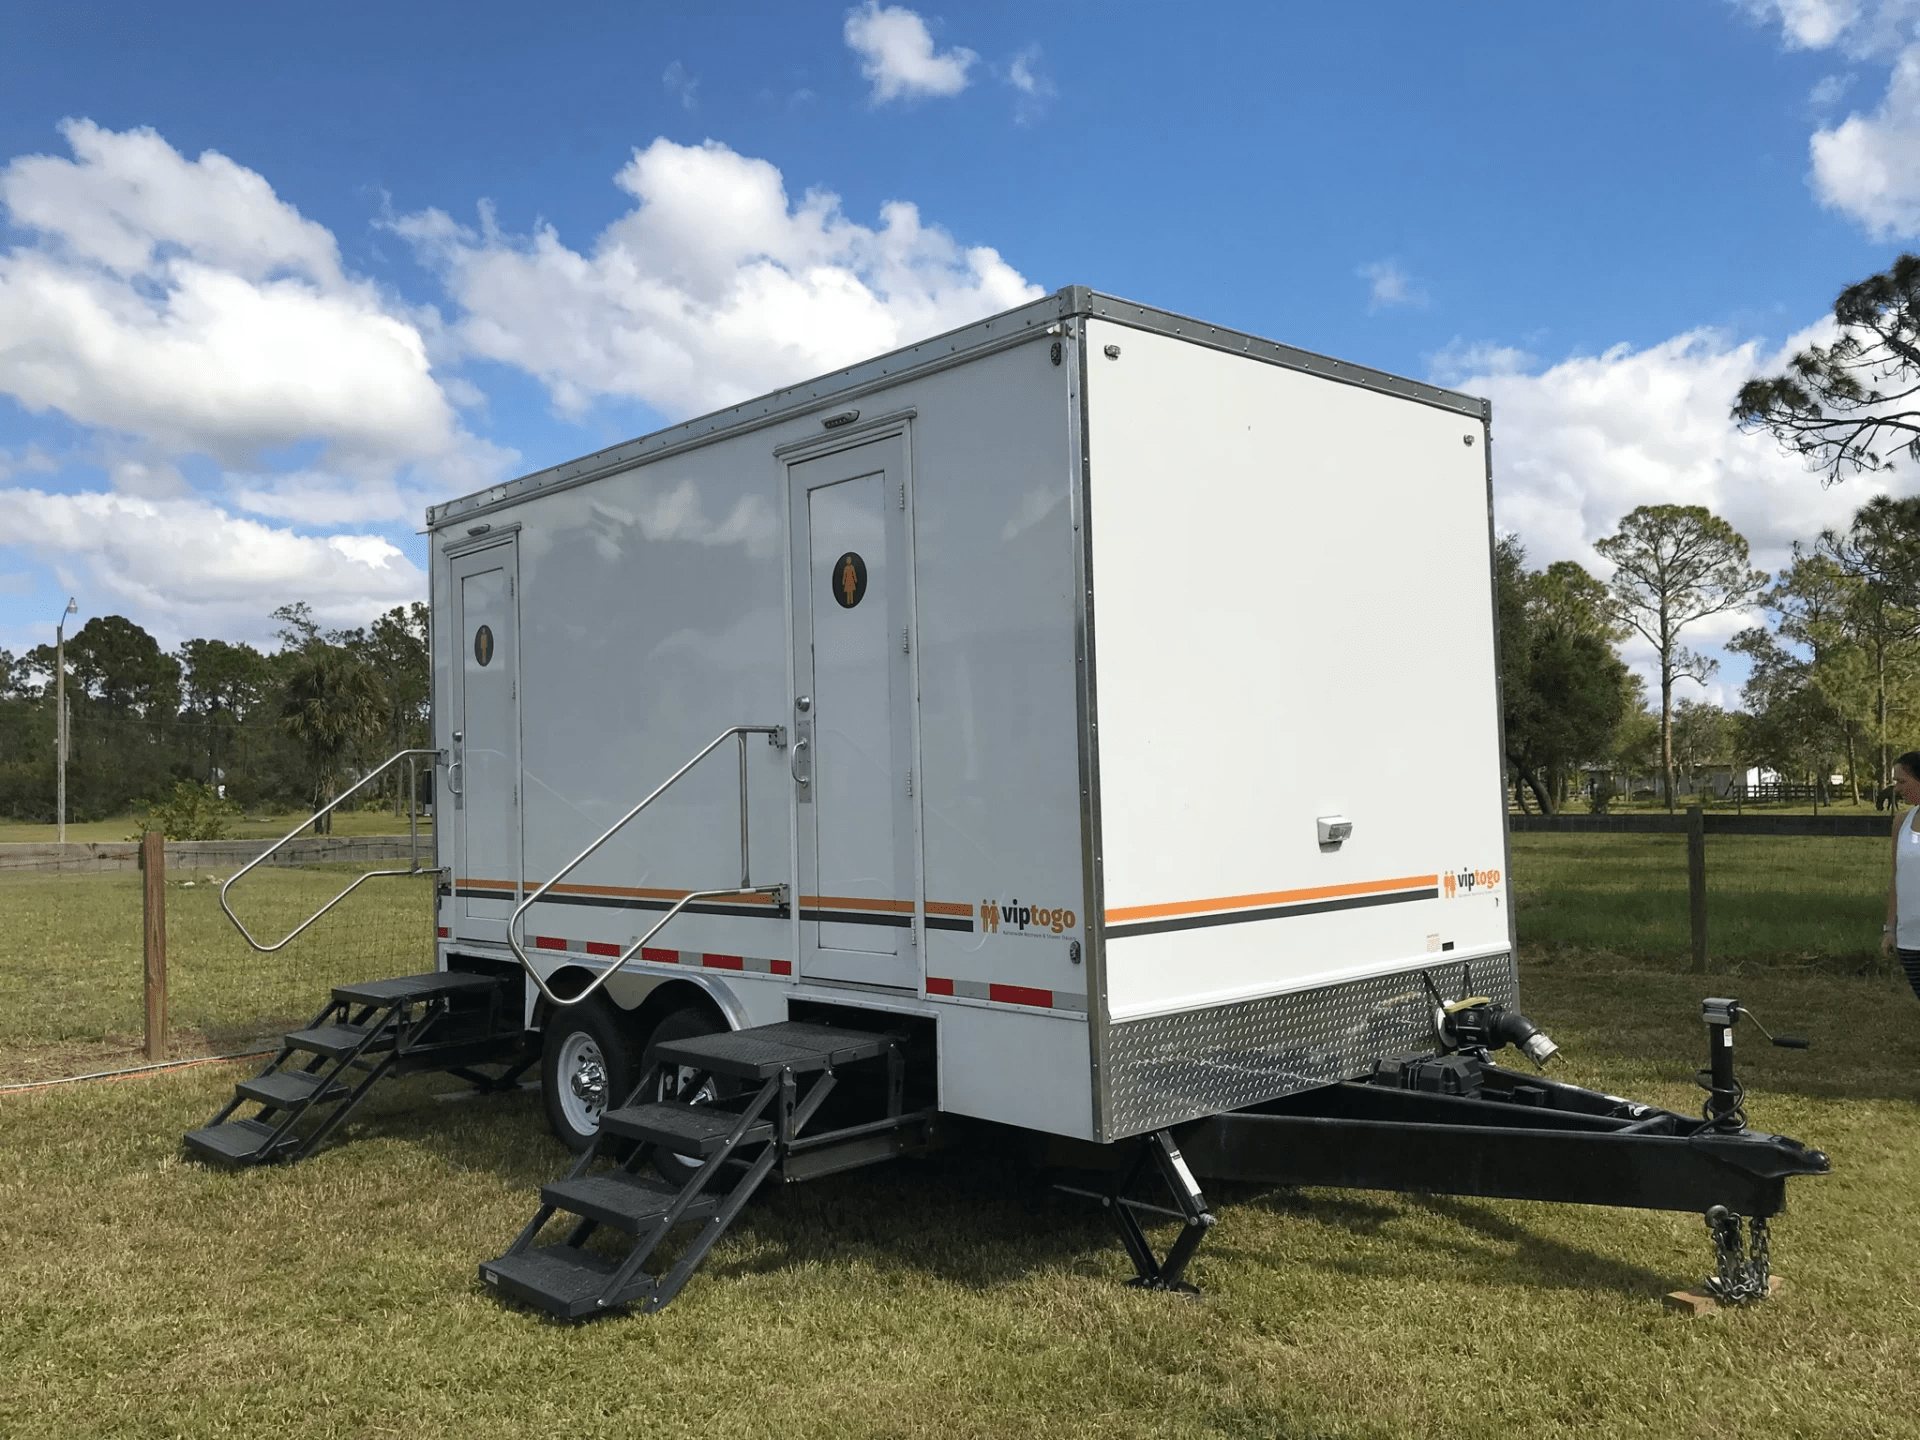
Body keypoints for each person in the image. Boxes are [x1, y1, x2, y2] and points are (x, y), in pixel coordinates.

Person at [1882, 751, 1920, 1001]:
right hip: (1910, 941)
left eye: (1902, 781)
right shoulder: (1901, 822)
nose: (1896, 788)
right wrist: (1890, 929)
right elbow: (1896, 878)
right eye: (1895, 781)